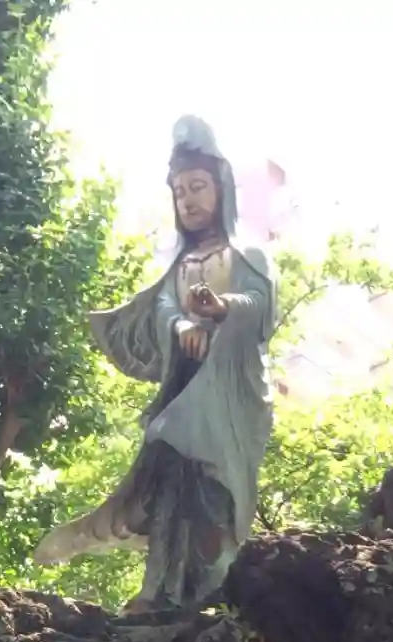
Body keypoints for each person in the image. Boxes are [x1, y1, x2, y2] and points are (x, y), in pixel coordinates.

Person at [34, 117, 276, 612]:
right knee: (170, 482)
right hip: (183, 386)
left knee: (212, 490)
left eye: (198, 186)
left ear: (221, 188)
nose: (188, 200)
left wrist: (222, 307)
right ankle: (162, 589)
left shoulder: (245, 253)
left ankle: (212, 587)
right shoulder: (179, 264)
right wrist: (181, 326)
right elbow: (165, 306)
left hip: (228, 395)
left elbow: (261, 308)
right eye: (179, 191)